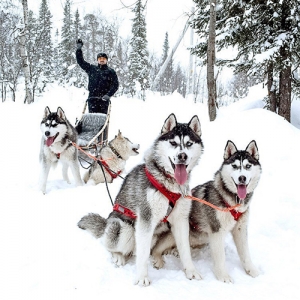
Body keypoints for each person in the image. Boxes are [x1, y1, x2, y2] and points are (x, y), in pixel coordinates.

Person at [76, 39, 119, 114]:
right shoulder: (91, 69)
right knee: (92, 119)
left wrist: (108, 95)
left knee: (102, 119)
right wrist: (79, 49)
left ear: (106, 60)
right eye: (100, 58)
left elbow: (115, 85)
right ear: (97, 60)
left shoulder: (111, 72)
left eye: (103, 59)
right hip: (92, 98)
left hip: (104, 100)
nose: (102, 60)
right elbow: (81, 62)